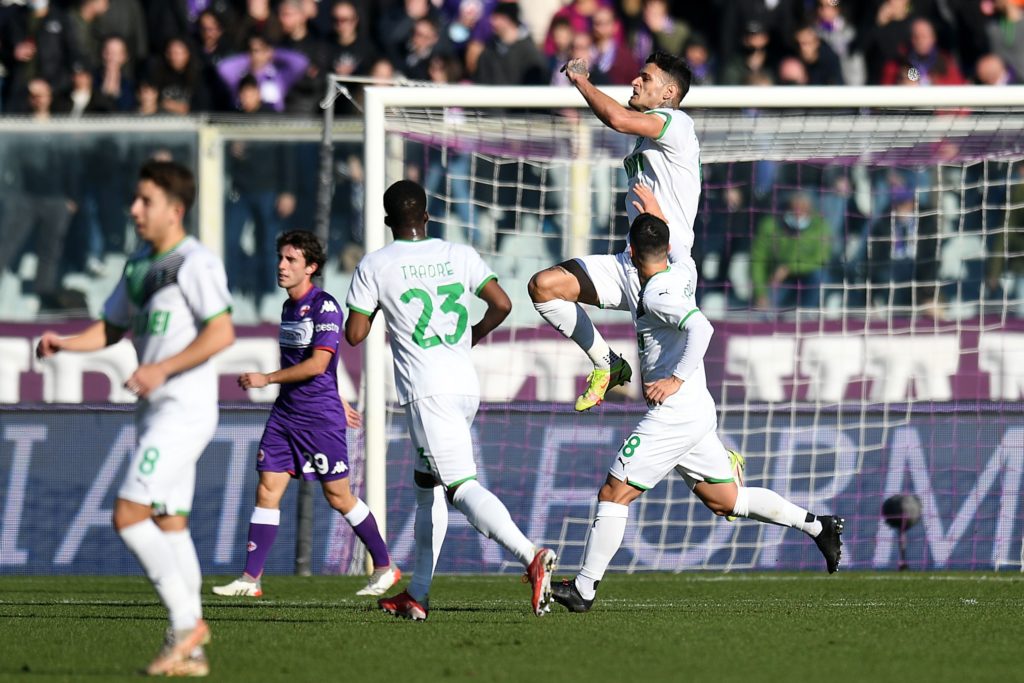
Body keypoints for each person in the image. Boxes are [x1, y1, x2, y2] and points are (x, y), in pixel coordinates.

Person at [550, 188, 844, 614]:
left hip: (676, 411)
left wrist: (672, 379)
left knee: (614, 493)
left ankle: (584, 589)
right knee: (726, 501)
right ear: (665, 248)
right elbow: (676, 248)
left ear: (631, 253)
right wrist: (657, 214)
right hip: (697, 410)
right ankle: (819, 526)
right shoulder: (683, 269)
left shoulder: (655, 295)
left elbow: (702, 329)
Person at [35, 160, 235, 675]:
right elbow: (112, 327)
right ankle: (189, 649)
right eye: (135, 199)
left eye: (145, 200)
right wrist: (65, 343)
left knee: (128, 515)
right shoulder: (140, 262)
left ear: (176, 209)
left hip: (184, 407)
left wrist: (161, 368)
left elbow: (221, 334)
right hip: (155, 410)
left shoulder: (194, 262)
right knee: (170, 522)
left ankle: (186, 620)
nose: (134, 209)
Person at [345, 180, 557, 621]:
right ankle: (418, 593)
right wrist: (472, 337)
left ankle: (530, 555)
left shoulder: (377, 264)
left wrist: (375, 305)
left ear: (388, 222)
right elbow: (501, 303)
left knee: (460, 488)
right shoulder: (458, 254)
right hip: (463, 382)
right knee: (427, 489)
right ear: (426, 215)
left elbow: (355, 334)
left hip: (427, 391)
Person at [213, 230, 399, 599]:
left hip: (317, 419)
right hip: (286, 415)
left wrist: (267, 378)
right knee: (267, 489)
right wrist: (337, 394)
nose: (281, 266)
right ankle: (251, 581)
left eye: (291, 260)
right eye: (280, 258)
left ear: (311, 267)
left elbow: (317, 364)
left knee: (339, 496)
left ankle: (384, 567)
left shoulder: (325, 306)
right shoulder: (286, 307)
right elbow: (318, 368)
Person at [528, 50, 699, 412]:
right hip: (631, 262)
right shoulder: (652, 135)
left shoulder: (677, 123)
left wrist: (581, 80)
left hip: (665, 270)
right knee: (545, 287)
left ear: (668, 93)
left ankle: (721, 462)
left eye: (645, 78)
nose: (635, 81)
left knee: (669, 403)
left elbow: (617, 118)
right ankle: (607, 363)